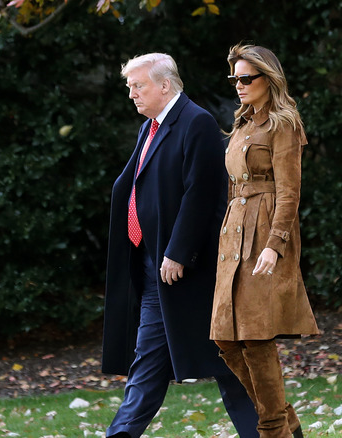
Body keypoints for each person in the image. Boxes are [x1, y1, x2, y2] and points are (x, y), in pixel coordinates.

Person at [101, 53, 259, 438]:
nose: (132, 94)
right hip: (155, 264)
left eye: (138, 86)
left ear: (165, 85)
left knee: (229, 365)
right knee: (151, 362)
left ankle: (272, 432)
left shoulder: (196, 122)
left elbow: (202, 193)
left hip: (191, 270)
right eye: (129, 87)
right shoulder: (151, 127)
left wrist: (177, 251)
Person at [211, 43, 320, 438]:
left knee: (256, 337)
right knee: (225, 337)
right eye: (234, 79)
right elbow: (232, 186)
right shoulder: (242, 124)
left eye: (245, 78)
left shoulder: (283, 123)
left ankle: (273, 429)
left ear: (267, 79)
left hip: (266, 234)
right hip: (233, 234)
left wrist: (275, 243)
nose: (238, 85)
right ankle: (286, 420)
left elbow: (289, 190)